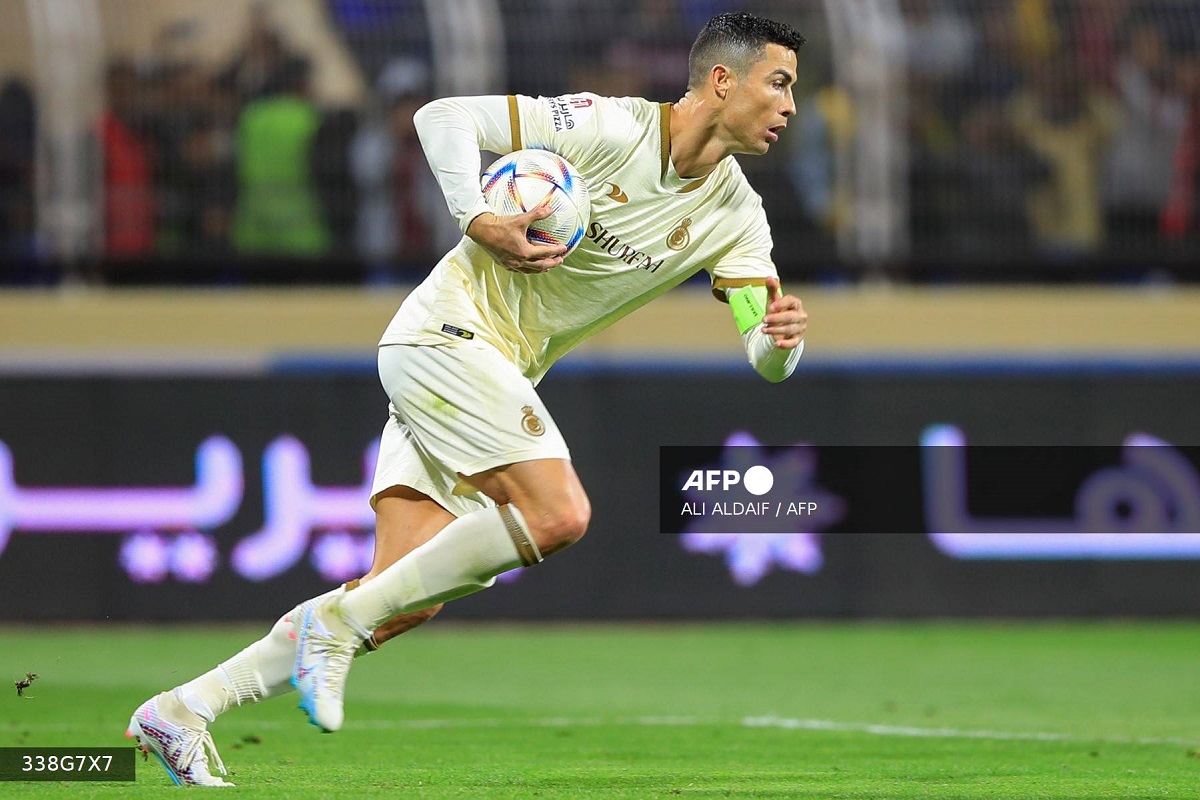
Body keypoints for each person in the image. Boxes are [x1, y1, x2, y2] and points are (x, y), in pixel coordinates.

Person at [125, 11, 809, 786]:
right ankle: (332, 627)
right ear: (723, 80)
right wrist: (480, 218)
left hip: (483, 376)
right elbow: (442, 116)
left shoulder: (736, 216)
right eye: (778, 83)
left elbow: (764, 354)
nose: (790, 106)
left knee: (402, 598)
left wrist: (780, 341)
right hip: (444, 336)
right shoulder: (607, 126)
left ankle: (181, 710)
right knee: (559, 515)